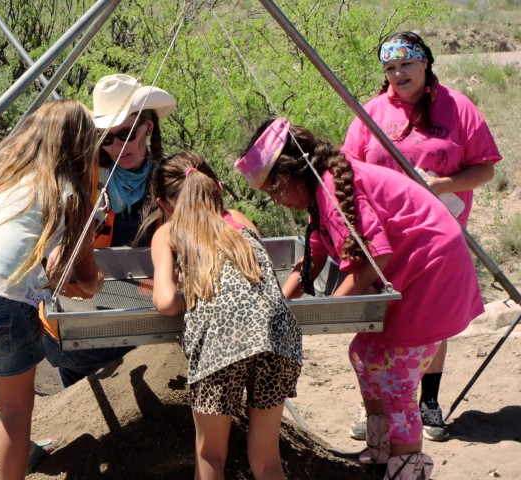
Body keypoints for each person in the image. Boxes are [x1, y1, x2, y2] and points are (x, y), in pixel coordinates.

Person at [234, 117, 484, 479]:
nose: (275, 201)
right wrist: (277, 306)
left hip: (432, 271)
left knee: (397, 375)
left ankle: (406, 468)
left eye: (275, 192)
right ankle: (380, 450)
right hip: (413, 270)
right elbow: (313, 259)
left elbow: (375, 257)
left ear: (292, 175)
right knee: (364, 353)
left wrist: (331, 309)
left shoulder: (333, 191)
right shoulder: (322, 194)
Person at [342, 31, 502, 442]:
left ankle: (427, 404)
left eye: (406, 64)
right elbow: (346, 173)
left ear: (425, 63)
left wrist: (442, 186)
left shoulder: (457, 107)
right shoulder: (372, 112)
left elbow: (485, 169)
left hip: (438, 237)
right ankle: (372, 402)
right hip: (384, 238)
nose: (398, 73)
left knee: (431, 323)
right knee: (379, 318)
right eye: (390, 67)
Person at [0, 100, 104, 480]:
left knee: (9, 389)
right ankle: (15, 458)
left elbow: (29, 250)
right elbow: (86, 276)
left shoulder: (6, 177)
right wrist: (95, 282)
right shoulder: (70, 193)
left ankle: (22, 447)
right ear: (80, 146)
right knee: (15, 412)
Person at [146, 151, 303, 479]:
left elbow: (164, 302)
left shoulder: (169, 232)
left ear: (164, 204)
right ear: (215, 186)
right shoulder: (239, 219)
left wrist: (187, 288)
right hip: (277, 334)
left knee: (211, 455)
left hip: (222, 338)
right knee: (267, 459)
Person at [40, 73, 177, 387]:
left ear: (148, 127)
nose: (117, 146)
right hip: (84, 320)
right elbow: (51, 247)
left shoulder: (168, 177)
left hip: (148, 318)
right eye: (107, 137)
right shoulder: (80, 177)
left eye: (126, 133)